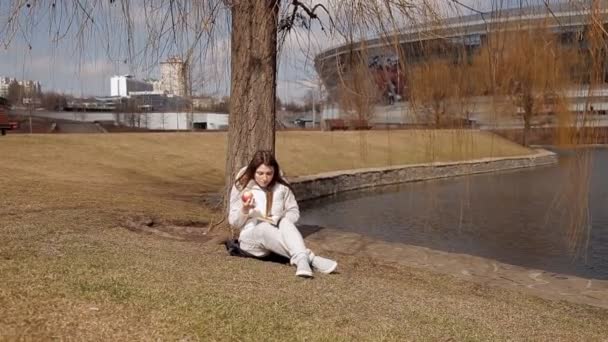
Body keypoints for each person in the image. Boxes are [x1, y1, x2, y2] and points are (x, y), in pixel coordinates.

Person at [228, 150, 338, 278]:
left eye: (269, 173)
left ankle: (302, 261)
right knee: (264, 228)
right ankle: (310, 258)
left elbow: (293, 211)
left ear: (274, 172)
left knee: (284, 221)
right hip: (250, 239)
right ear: (253, 171)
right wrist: (245, 210)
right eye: (260, 173)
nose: (264, 178)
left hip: (276, 236)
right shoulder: (242, 186)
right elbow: (234, 222)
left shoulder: (282, 188)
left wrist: (279, 220)